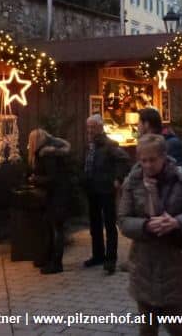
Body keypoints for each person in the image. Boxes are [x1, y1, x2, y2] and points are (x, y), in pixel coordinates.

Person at [118, 134, 182, 335]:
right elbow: (123, 220)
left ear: (163, 157)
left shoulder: (180, 179)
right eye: (143, 160)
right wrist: (145, 226)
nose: (148, 165)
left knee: (175, 325)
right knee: (147, 327)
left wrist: (177, 222)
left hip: (174, 264)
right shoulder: (132, 182)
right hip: (144, 265)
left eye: (153, 160)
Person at [83, 114, 131, 274]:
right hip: (92, 189)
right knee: (94, 224)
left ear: (100, 127)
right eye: (88, 127)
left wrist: (117, 178)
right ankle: (98, 255)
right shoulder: (89, 145)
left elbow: (124, 159)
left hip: (105, 189)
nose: (89, 130)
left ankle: (110, 259)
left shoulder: (109, 144)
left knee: (109, 224)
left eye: (92, 127)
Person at [28, 129, 73, 274]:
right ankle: (47, 258)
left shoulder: (47, 155)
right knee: (51, 228)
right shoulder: (49, 152)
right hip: (55, 196)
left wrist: (36, 179)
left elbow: (53, 179)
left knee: (56, 229)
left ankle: (56, 263)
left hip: (57, 196)